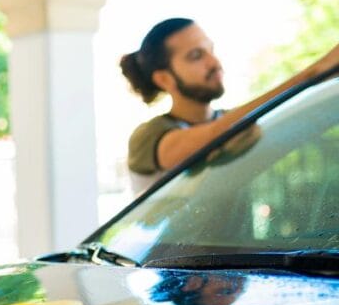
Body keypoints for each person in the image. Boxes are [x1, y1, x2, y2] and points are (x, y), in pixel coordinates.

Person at [120, 18, 339, 193]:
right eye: (196, 56)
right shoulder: (148, 136)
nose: (214, 63)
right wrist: (314, 73)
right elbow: (215, 138)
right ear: (164, 79)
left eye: (211, 50)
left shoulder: (238, 123)